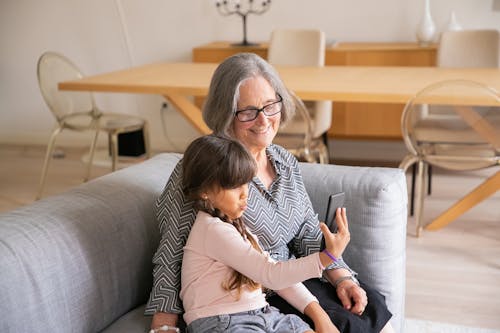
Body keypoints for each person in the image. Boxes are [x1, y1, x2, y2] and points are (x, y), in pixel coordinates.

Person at [145, 52, 394, 333]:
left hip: (295, 282)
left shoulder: (284, 161)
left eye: (270, 106)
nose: (263, 121)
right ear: (225, 113)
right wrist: (163, 324)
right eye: (248, 111)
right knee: (349, 324)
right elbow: (171, 251)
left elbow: (307, 232)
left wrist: (342, 278)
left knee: (371, 306)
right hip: (254, 297)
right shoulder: (209, 170)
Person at [179, 134, 349, 333]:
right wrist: (326, 257)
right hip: (222, 322)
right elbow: (271, 275)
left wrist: (321, 317)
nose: (245, 194)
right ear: (205, 191)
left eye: (246, 184)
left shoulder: (236, 226)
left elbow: (278, 277)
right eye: (234, 186)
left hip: (263, 314)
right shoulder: (212, 230)